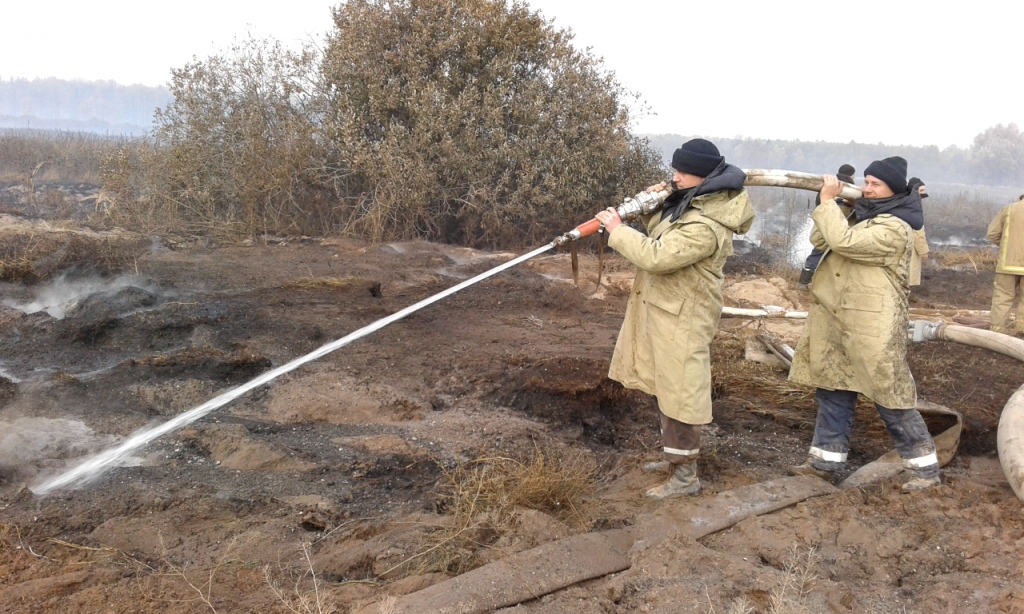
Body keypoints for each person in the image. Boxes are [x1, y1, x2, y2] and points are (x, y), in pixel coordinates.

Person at [594, 138, 754, 499]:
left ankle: (685, 477)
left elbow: (657, 256)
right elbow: (662, 233)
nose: (675, 177)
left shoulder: (706, 223)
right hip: (667, 310)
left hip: (685, 316)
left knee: (681, 393)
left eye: (681, 172)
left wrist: (618, 230)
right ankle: (675, 459)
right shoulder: (693, 203)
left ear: (701, 176)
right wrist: (654, 205)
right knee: (668, 388)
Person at [788, 156, 941, 493]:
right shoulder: (863, 215)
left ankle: (924, 471)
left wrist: (827, 203)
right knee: (833, 388)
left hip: (873, 326)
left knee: (890, 396)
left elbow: (846, 243)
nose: (866, 188)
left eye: (875, 184)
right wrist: (838, 207)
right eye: (866, 181)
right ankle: (824, 463)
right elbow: (821, 240)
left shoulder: (895, 226)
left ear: (893, 190)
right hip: (839, 319)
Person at [797, 164, 857, 288]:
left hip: (823, 224)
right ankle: (829, 286)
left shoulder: (829, 185)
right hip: (842, 229)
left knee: (817, 252)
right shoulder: (852, 190)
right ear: (852, 175)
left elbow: (819, 202)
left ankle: (803, 282)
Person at [986, 194, 1024, 335]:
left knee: (1002, 298)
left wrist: (1006, 248)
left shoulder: (1008, 209)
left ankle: (997, 332)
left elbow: (992, 234)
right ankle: (1021, 332)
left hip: (1007, 265)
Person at [907, 177, 930, 287]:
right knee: (908, 276)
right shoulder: (913, 206)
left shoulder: (905, 202)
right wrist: (923, 251)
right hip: (910, 246)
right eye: (921, 191)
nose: (923, 194)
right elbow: (918, 231)